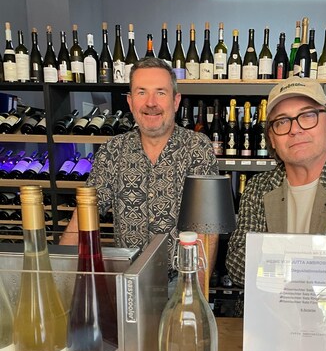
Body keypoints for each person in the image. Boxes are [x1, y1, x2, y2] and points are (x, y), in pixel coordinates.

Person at [61, 57, 219, 286]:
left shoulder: (197, 147)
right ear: (130, 101)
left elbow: (208, 228)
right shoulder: (112, 150)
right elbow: (85, 212)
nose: (151, 103)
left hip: (182, 281)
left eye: (160, 93)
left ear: (175, 101)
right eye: (142, 92)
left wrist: (194, 292)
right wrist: (60, 280)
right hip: (127, 280)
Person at [226, 76, 326, 287]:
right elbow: (237, 266)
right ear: (272, 138)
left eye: (308, 116)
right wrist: (320, 260)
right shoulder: (257, 187)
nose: (295, 129)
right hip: (267, 309)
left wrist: (273, 259)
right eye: (282, 121)